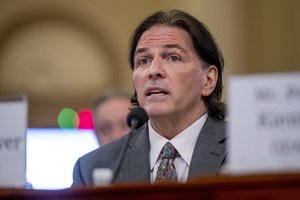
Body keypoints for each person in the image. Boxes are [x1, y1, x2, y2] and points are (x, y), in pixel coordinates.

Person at [72, 9, 226, 186]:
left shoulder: (247, 152)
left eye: (173, 58)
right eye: (144, 61)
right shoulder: (91, 168)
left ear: (208, 79)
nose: (153, 71)